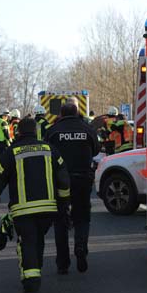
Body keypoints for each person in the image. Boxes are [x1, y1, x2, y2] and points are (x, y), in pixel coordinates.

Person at [0, 117, 72, 293]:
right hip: (48, 209)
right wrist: (64, 203)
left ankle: (31, 282)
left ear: (18, 132)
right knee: (37, 238)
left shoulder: (11, 152)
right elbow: (64, 178)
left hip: (23, 210)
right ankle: (35, 269)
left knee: (27, 241)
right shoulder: (50, 150)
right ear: (36, 131)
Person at [45, 101, 100, 273]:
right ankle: (81, 247)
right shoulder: (86, 129)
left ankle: (63, 263)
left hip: (60, 181)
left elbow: (46, 153)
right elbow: (97, 150)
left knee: (60, 220)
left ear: (60, 114)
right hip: (83, 179)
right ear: (76, 112)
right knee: (82, 216)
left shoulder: (53, 131)